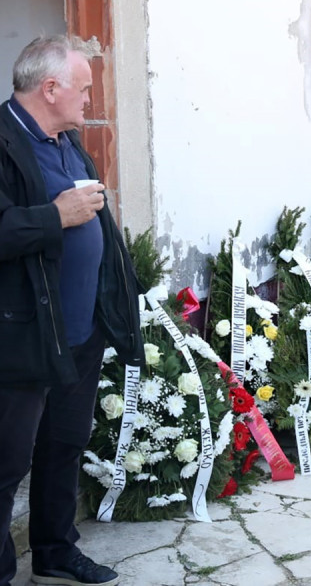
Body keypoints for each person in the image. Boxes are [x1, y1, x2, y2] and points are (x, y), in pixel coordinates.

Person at [0, 35, 145, 586]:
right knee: (8, 464)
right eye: (83, 88)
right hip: (24, 335)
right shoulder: (3, 140)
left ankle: (56, 551)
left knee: (64, 445)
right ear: (50, 87)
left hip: (80, 333)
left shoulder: (68, 142)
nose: (91, 99)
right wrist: (53, 217)